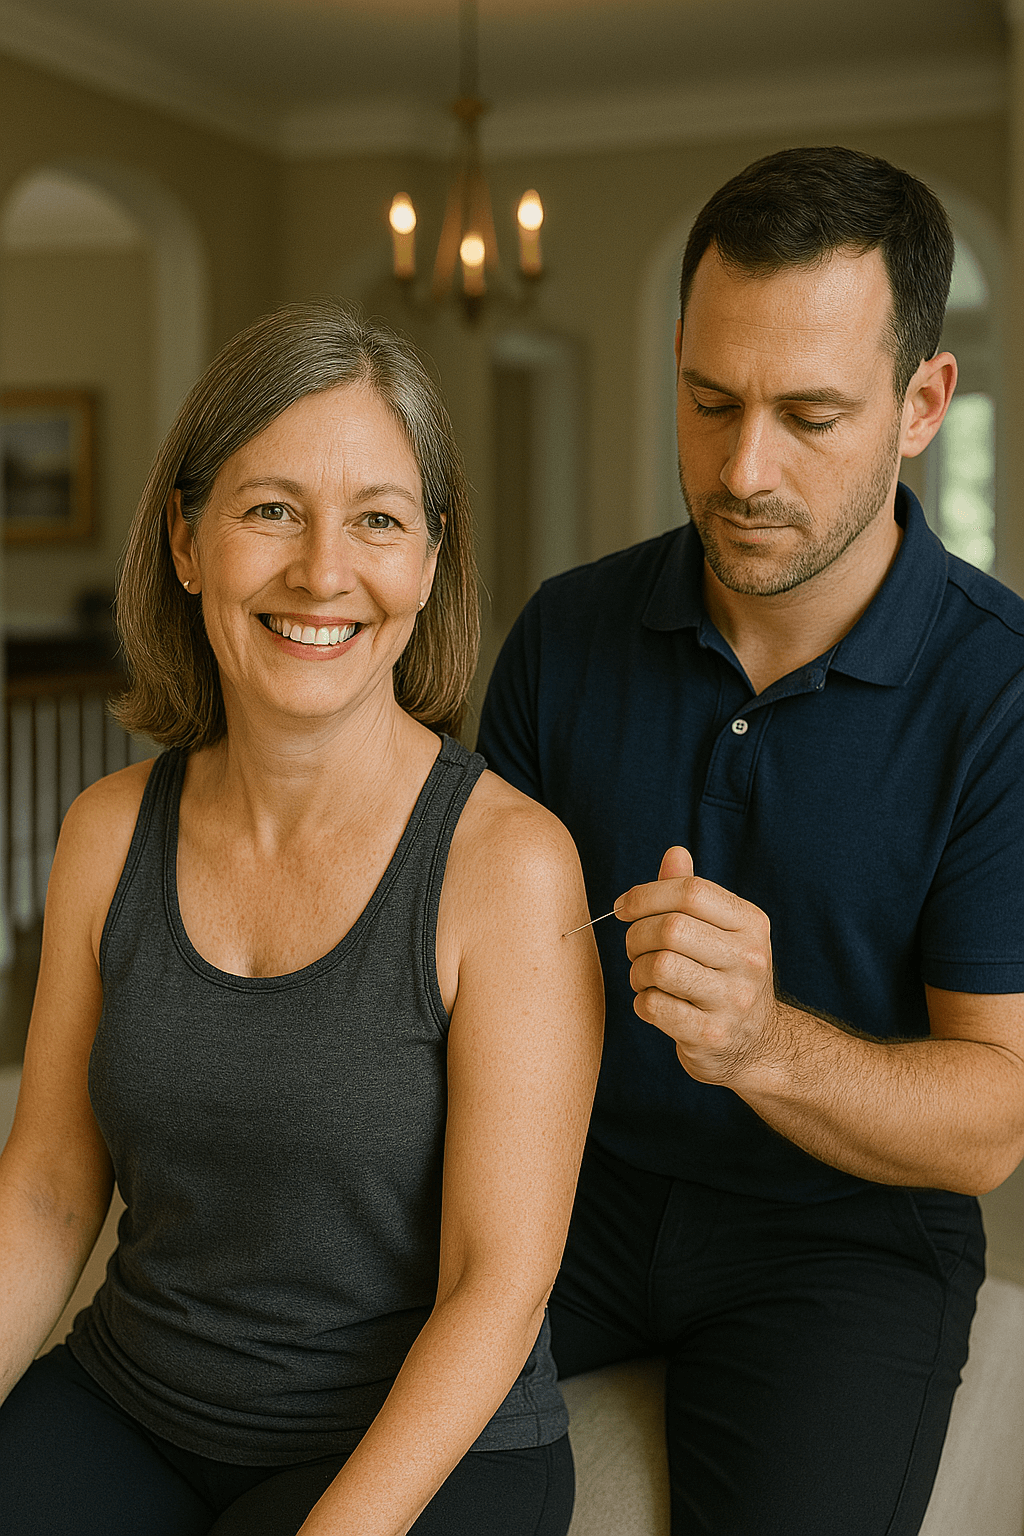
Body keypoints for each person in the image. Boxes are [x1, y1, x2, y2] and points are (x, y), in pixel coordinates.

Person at [478, 145, 1024, 1535]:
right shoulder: (565, 633)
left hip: (844, 1232)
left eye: (809, 415)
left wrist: (762, 1042)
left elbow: (992, 1123)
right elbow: (470, 984)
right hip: (571, 1183)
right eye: (710, 401)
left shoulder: (1002, 692)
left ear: (923, 404)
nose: (742, 469)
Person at [0, 302, 603, 1536]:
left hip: (421, 1454)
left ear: (429, 561)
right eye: (271, 509)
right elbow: (50, 1189)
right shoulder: (107, 833)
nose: (323, 572)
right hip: (134, 1402)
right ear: (186, 540)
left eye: (377, 519)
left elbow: (496, 1284)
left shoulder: (508, 865)